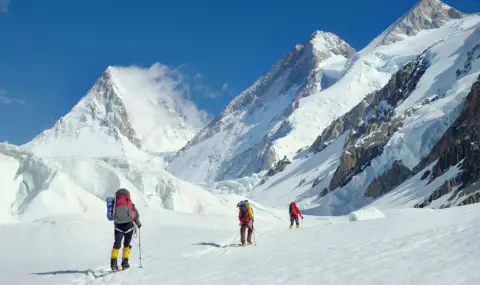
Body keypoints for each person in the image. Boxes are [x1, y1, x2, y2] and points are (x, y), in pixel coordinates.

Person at [110, 188, 142, 271]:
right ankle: (125, 263)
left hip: (118, 227)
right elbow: (135, 215)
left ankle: (113, 264)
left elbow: (111, 214)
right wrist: (138, 224)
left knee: (116, 245)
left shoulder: (114, 203)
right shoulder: (131, 204)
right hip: (128, 227)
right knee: (126, 245)